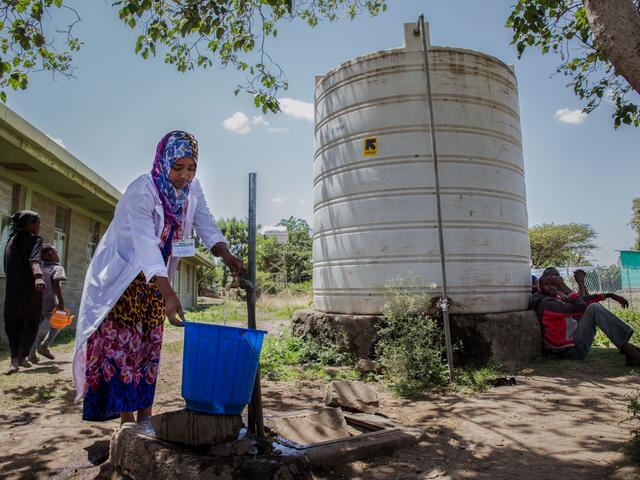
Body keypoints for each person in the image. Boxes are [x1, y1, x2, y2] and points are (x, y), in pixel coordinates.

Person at [73, 130, 243, 434]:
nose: (183, 175)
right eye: (177, 167)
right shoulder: (142, 191)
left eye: (191, 168)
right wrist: (169, 294)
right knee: (126, 348)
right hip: (124, 280)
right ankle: (127, 424)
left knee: (150, 346)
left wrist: (226, 254)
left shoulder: (191, 190)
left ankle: (147, 417)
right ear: (163, 161)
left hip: (157, 281)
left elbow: (205, 222)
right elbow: (145, 246)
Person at [530, 275, 640, 364]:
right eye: (546, 284)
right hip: (570, 351)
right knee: (593, 308)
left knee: (593, 307)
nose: (551, 287)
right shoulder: (546, 304)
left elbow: (582, 300)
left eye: (554, 284)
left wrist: (608, 295)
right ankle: (630, 351)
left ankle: (628, 348)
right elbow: (581, 306)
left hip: (573, 343)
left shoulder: (556, 297)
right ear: (540, 286)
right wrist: (564, 286)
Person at [3, 210, 45, 375]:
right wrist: (39, 277)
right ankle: (21, 357)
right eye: (37, 223)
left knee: (13, 325)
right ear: (29, 224)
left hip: (13, 292)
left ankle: (15, 360)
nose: (39, 226)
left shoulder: (10, 241)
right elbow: (34, 260)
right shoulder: (36, 240)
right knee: (31, 324)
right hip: (32, 291)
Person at [28, 244, 66, 363]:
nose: (58, 255)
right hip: (50, 304)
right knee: (59, 324)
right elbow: (56, 286)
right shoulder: (58, 268)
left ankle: (31, 355)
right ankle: (44, 346)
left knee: (35, 328)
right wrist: (61, 303)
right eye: (56, 252)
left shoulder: (39, 267)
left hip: (36, 303)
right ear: (50, 254)